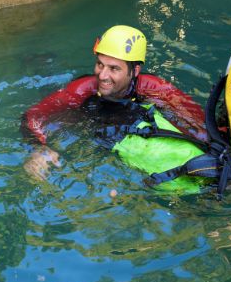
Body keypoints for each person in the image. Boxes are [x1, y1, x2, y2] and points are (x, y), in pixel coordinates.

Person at [22, 25, 208, 181]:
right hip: (85, 113)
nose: (102, 75)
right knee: (50, 88)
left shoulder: (156, 90)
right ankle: (39, 62)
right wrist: (38, 147)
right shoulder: (81, 90)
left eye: (114, 68)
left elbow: (200, 126)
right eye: (100, 64)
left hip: (120, 123)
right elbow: (33, 115)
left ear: (135, 70)